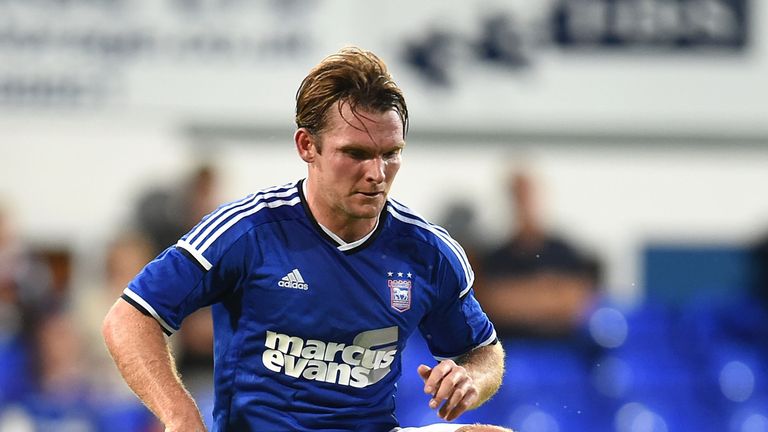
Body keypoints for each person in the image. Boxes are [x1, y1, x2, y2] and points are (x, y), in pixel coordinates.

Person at [102, 46, 509, 432]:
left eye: (390, 153)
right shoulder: (247, 231)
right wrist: (179, 414)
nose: (376, 172)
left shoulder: (426, 252)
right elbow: (130, 317)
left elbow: (485, 352)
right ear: (307, 145)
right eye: (355, 154)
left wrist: (471, 378)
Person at [476, 170, 599, 338]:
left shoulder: (564, 254)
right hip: (513, 348)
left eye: (529, 196)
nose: (525, 204)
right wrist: (548, 291)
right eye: (519, 196)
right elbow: (493, 304)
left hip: (562, 348)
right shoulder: (496, 257)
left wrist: (518, 296)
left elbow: (577, 303)